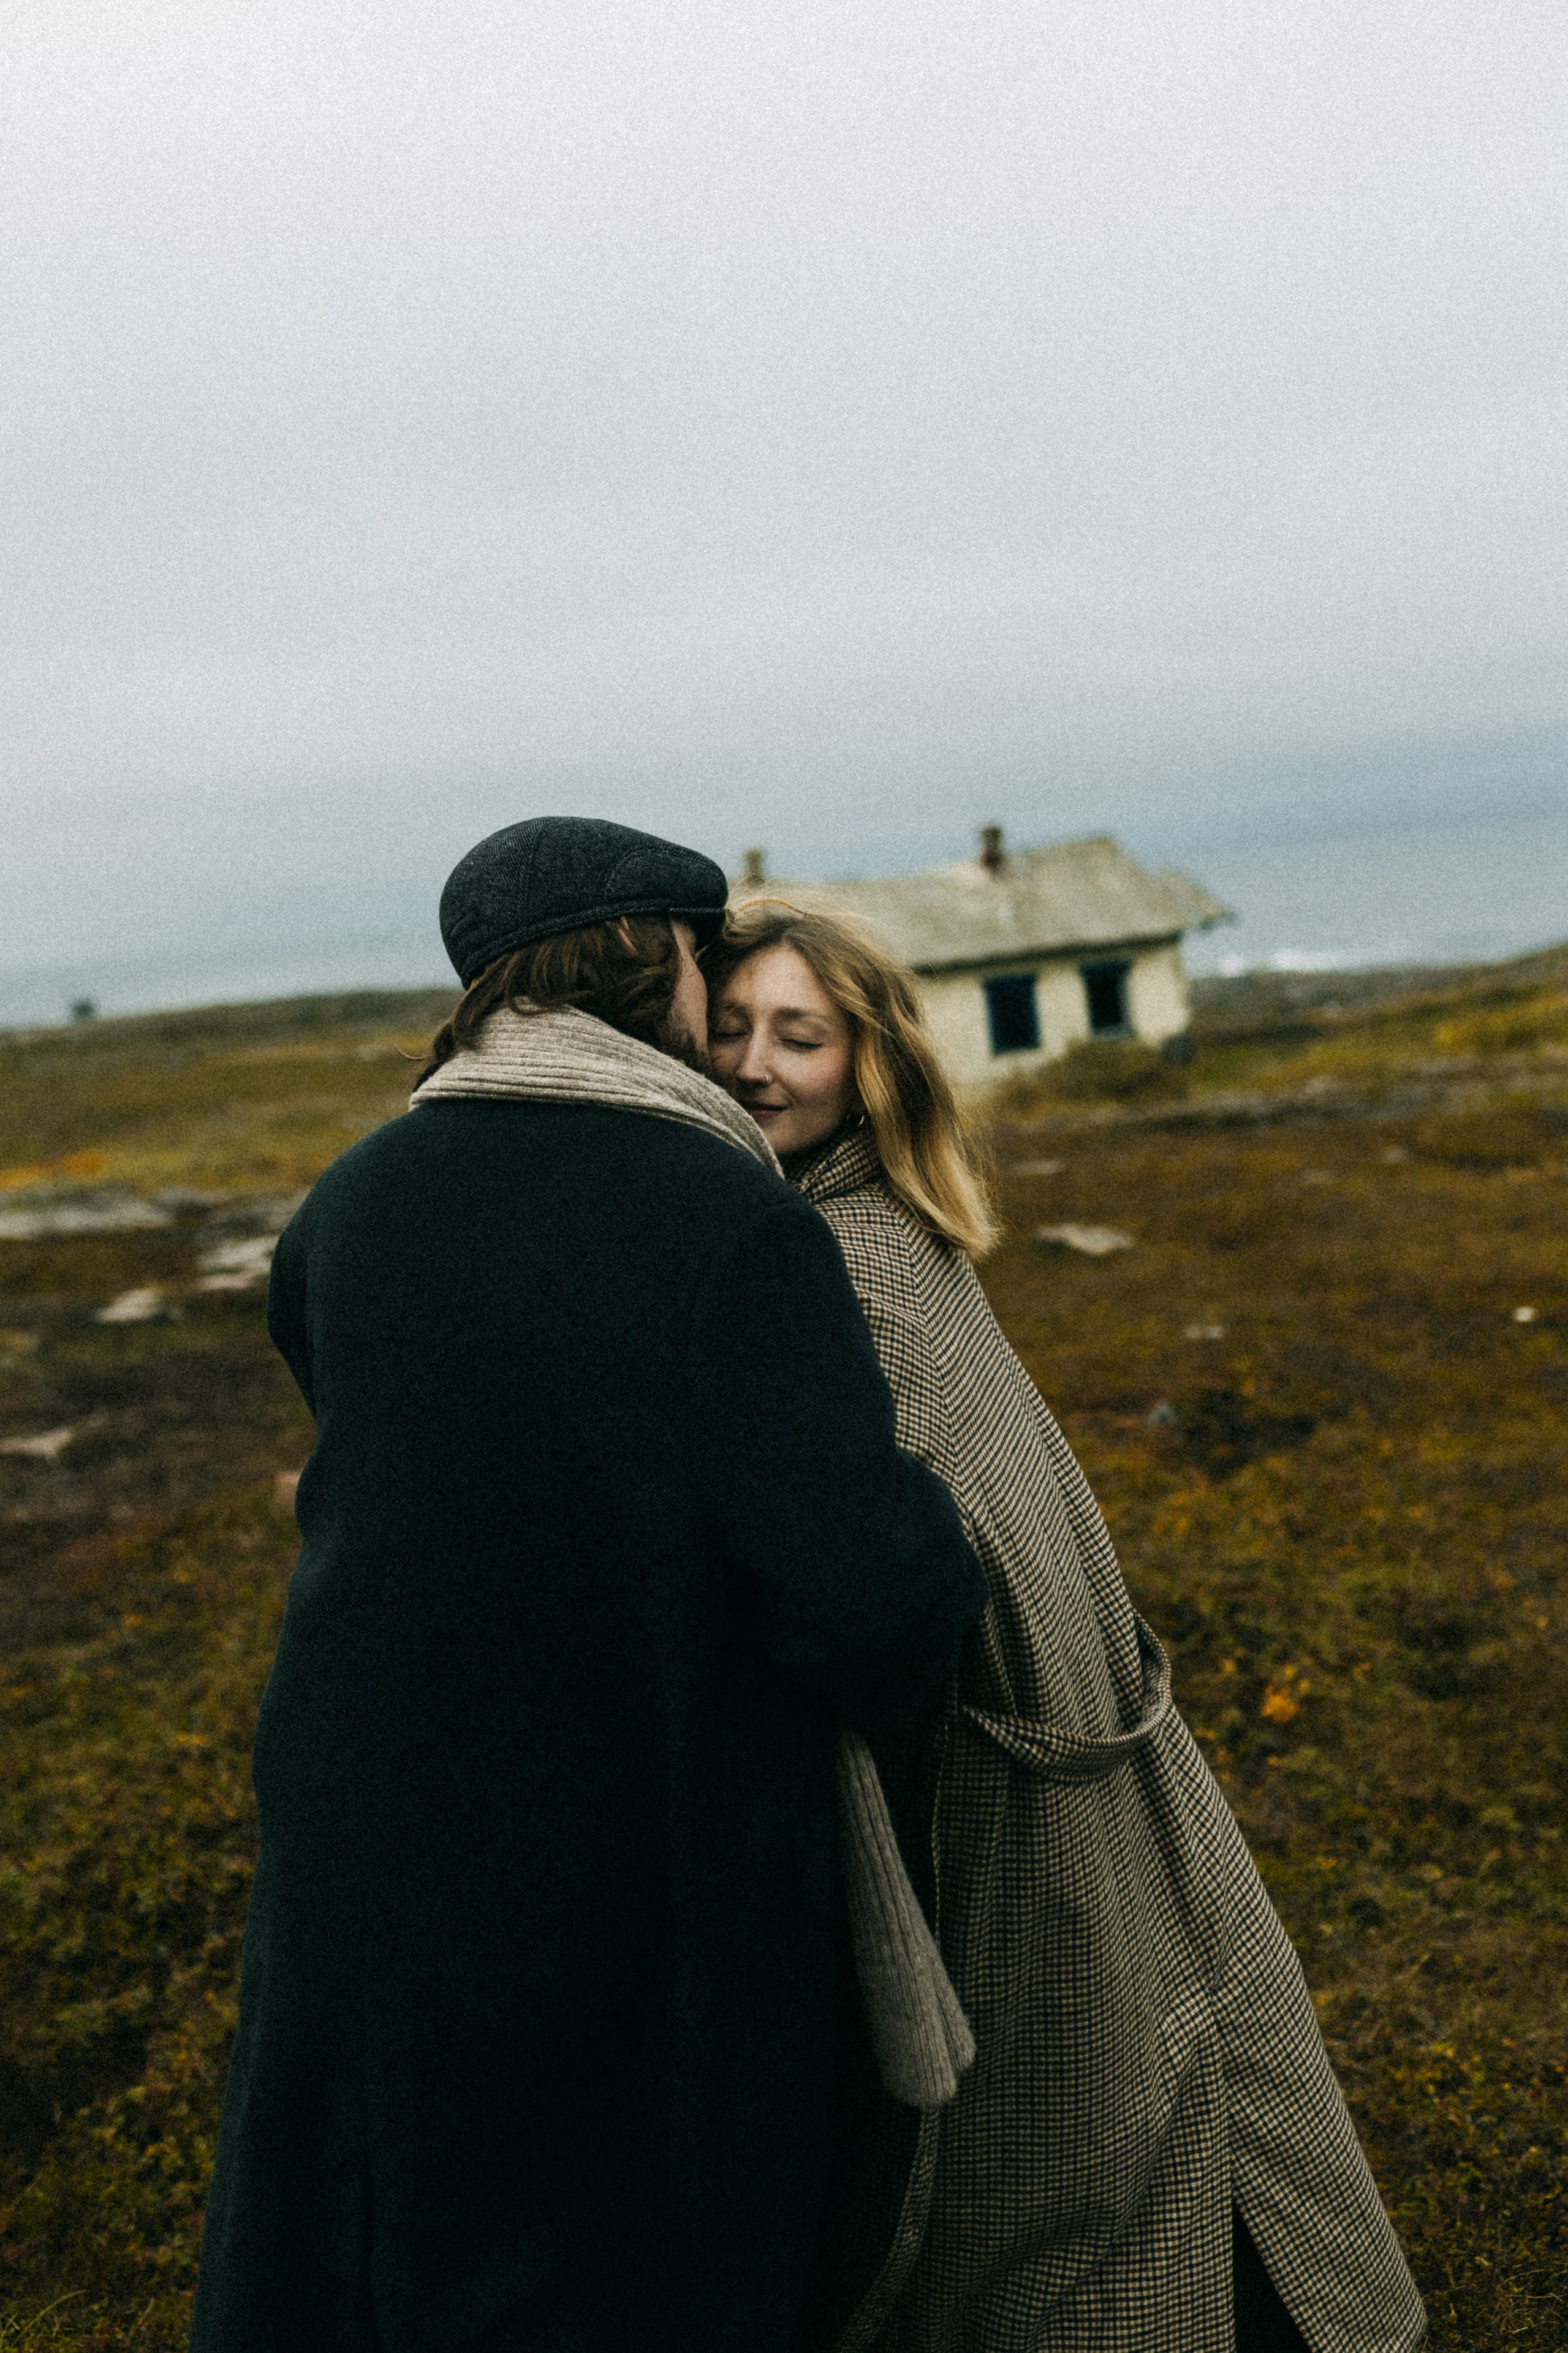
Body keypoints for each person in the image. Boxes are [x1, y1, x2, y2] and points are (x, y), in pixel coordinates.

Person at [190, 818, 988, 2353]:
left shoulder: (349, 1202)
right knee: (637, 2254)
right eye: (706, 965)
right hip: (631, 1827)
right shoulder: (719, 1213)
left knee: (389, 2230)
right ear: (658, 964)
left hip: (362, 1816)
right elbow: (858, 1586)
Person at [705, 898, 1428, 2353]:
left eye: (800, 1035)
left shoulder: (841, 1263)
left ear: (870, 1063)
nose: (756, 1067)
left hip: (1004, 1791)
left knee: (1066, 2155)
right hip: (1073, 1758)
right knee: (1160, 2093)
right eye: (728, 1030)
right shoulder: (873, 1227)